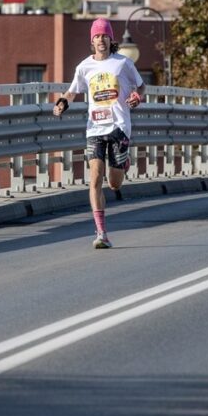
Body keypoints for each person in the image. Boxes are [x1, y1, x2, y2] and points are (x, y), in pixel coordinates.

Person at [53, 18, 145, 249]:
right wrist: (62, 103)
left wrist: (137, 96)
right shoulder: (85, 67)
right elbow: (73, 91)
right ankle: (101, 232)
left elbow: (141, 85)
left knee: (114, 184)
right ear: (91, 41)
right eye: (96, 36)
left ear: (111, 39)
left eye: (104, 35)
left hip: (119, 126)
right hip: (95, 128)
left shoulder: (123, 63)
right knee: (95, 177)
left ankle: (123, 164)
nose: (100, 40)